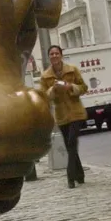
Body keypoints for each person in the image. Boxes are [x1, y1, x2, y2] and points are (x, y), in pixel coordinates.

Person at [40, 45, 88, 189]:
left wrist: (71, 87)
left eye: (56, 53)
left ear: (61, 55)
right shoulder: (45, 76)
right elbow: (43, 97)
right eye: (51, 54)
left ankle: (70, 177)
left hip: (76, 112)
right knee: (69, 146)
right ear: (49, 57)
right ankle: (80, 175)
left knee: (72, 141)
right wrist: (53, 89)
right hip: (61, 115)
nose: (54, 56)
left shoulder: (72, 70)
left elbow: (84, 87)